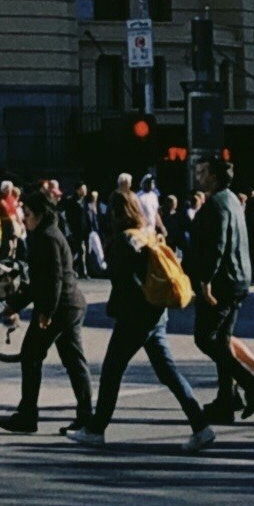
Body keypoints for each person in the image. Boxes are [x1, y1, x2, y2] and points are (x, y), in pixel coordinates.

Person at [73, 173, 215, 452]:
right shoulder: (147, 234)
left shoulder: (124, 242)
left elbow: (123, 281)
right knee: (168, 372)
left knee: (112, 370)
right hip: (156, 312)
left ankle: (96, 428)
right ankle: (200, 424)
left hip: (134, 316)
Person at [0, 185, 92, 435]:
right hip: (69, 304)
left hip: (60, 306)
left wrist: (46, 312)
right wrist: (14, 305)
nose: (23, 218)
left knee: (31, 355)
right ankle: (86, 415)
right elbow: (38, 283)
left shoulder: (47, 237)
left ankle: (28, 415)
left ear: (39, 214)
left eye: (27, 213)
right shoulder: (46, 233)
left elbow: (53, 278)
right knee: (72, 359)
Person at [190, 155, 254, 422]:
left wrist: (205, 280)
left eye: (203, 172)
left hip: (222, 282)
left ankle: (252, 385)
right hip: (238, 278)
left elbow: (217, 245)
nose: (198, 177)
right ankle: (226, 400)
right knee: (222, 341)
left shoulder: (216, 205)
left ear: (214, 176)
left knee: (205, 338)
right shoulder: (231, 201)